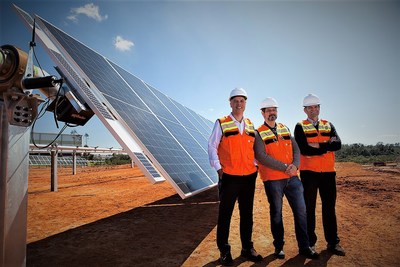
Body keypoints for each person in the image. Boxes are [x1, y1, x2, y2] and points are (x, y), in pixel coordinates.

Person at [254, 97, 319, 260]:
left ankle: (305, 247)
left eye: (274, 109)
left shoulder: (284, 128)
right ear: (262, 113)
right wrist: (285, 167)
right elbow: (261, 156)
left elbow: (296, 150)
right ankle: (279, 247)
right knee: (276, 213)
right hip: (273, 180)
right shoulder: (258, 133)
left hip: (293, 179)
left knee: (301, 212)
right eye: (268, 110)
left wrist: (295, 166)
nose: (272, 113)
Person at [208, 88, 263, 265]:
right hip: (229, 176)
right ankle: (224, 251)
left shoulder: (251, 125)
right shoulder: (222, 122)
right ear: (230, 103)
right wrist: (219, 169)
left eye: (242, 100)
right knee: (225, 215)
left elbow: (253, 149)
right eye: (235, 100)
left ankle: (247, 248)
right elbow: (212, 146)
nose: (239, 103)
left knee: (247, 214)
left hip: (248, 176)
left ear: (245, 103)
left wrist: (254, 166)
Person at [294, 93, 345, 256]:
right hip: (309, 173)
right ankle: (309, 244)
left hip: (329, 173)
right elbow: (304, 148)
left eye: (316, 107)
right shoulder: (300, 126)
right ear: (305, 110)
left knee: (329, 208)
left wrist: (317, 146)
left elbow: (338, 144)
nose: (313, 110)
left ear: (319, 108)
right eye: (310, 107)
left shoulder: (328, 125)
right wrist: (326, 146)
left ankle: (333, 243)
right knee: (309, 208)